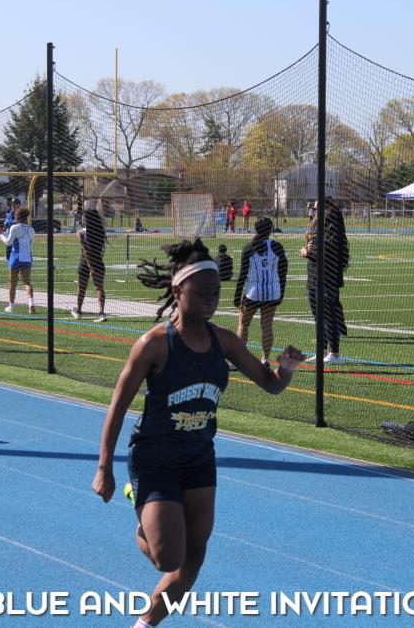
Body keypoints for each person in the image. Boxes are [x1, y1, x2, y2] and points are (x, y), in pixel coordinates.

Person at [91, 238, 304, 628]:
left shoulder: (224, 341)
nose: (210, 299)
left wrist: (286, 370)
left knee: (193, 561)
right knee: (167, 559)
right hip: (155, 459)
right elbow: (118, 406)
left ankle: (144, 625)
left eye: (215, 292)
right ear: (178, 291)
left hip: (199, 459)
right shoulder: (154, 345)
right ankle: (141, 506)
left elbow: (271, 384)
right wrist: (104, 467)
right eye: (201, 291)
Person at [234, 217, 288, 368]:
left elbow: (242, 274)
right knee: (267, 326)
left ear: (256, 229)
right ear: (270, 230)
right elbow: (283, 271)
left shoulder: (248, 247)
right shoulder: (277, 246)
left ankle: (239, 359)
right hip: (272, 293)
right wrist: (281, 293)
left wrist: (237, 296)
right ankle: (265, 359)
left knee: (243, 325)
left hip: (253, 293)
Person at [301, 198, 349, 362]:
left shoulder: (333, 226)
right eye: (313, 209)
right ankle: (320, 352)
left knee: (329, 315)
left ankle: (334, 353)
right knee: (318, 317)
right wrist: (309, 246)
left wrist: (308, 253)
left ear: (327, 209)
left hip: (327, 277)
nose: (314, 211)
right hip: (314, 277)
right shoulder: (317, 225)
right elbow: (315, 246)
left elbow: (329, 253)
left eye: (317, 209)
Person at [0, 208, 36, 315]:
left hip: (15, 258)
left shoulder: (14, 227)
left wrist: (0, 234)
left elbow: (9, 242)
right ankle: (31, 304)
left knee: (12, 283)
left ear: (17, 217)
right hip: (27, 258)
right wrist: (5, 233)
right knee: (27, 282)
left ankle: (11, 306)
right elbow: (30, 246)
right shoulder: (31, 229)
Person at [71, 209, 107, 322]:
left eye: (83, 217)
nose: (82, 219)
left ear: (86, 219)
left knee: (82, 288)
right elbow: (101, 249)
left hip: (85, 263)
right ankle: (101, 313)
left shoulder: (81, 232)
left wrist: (90, 267)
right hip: (98, 261)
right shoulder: (100, 231)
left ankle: (79, 310)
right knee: (99, 287)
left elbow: (86, 251)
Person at [2, 198, 21, 262]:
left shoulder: (21, 213)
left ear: (18, 205)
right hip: (11, 234)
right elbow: (6, 223)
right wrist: (7, 225)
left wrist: (9, 223)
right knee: (8, 254)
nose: (13, 205)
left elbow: (19, 223)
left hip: (19, 235)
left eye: (14, 204)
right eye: (12, 204)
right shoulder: (9, 213)